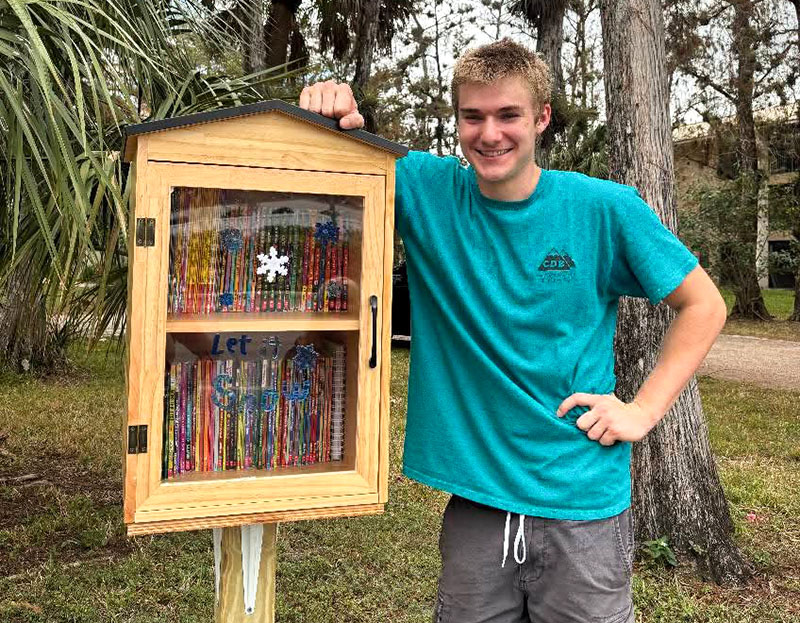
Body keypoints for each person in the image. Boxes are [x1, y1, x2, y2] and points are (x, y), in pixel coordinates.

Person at [300, 38, 727, 623]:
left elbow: (703, 304)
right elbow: (349, 148)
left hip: (582, 503)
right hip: (478, 500)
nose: (490, 134)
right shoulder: (427, 192)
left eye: (508, 115)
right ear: (456, 121)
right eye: (473, 116)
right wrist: (333, 97)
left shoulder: (603, 208)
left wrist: (643, 410)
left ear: (542, 118)